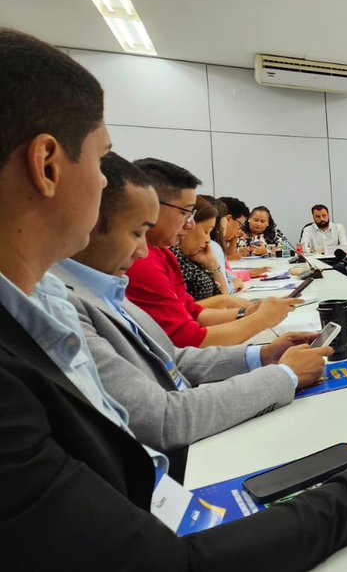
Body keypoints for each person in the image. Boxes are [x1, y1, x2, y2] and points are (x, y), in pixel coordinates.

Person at [0, 27, 347, 568]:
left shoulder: (50, 300)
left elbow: (173, 360)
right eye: (101, 158)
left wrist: (262, 354)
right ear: (47, 166)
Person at [53, 152, 330, 463]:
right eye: (136, 233)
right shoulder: (65, 303)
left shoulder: (106, 283)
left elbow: (170, 359)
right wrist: (285, 375)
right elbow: (164, 418)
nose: (143, 249)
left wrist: (262, 355)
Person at [124, 159, 301, 348]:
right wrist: (261, 320)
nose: (189, 224)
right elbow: (185, 339)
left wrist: (248, 313)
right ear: (152, 206)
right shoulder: (142, 260)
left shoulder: (163, 254)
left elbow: (192, 312)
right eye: (186, 213)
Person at [172, 196, 223, 302]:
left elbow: (223, 296)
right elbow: (184, 309)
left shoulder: (190, 258)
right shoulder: (173, 258)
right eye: (206, 231)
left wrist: (212, 265)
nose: (208, 240)